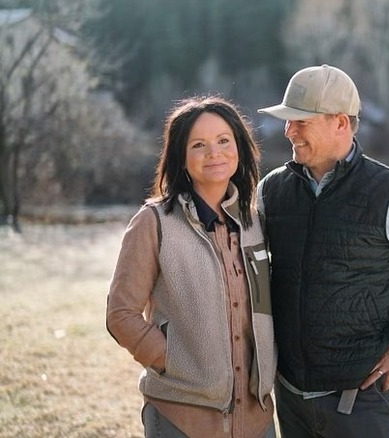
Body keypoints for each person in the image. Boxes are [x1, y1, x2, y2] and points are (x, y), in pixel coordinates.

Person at [256, 64, 389, 437]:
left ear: (340, 123)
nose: (288, 130)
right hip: (289, 394)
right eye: (287, 121)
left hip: (361, 400)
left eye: (300, 121)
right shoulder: (271, 189)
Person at [106, 96, 276, 438]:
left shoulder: (255, 221)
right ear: (181, 158)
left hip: (256, 417)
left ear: (239, 149)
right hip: (181, 418)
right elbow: (121, 315)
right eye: (198, 145)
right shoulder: (153, 222)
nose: (214, 153)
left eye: (223, 141)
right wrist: (173, 363)